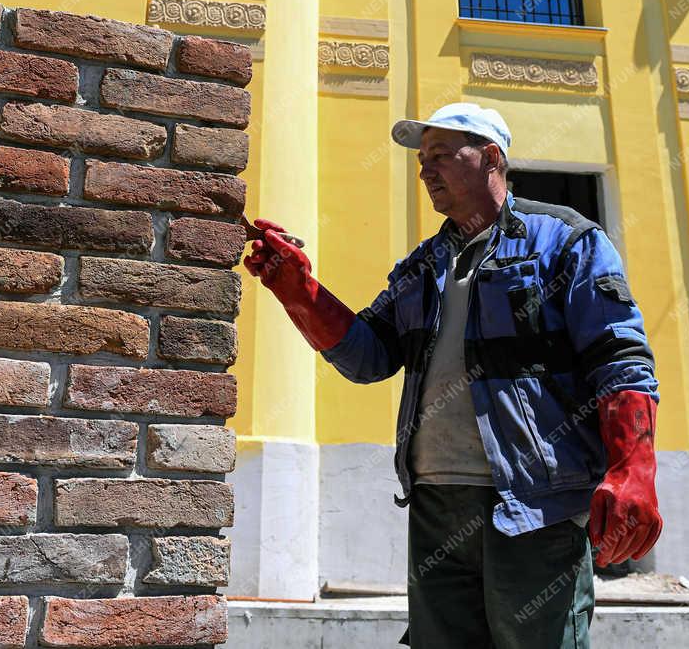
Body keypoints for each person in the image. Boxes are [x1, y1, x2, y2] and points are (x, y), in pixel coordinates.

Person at [244, 102, 662, 648]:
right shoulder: (421, 267)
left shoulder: (567, 241)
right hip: (437, 506)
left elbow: (620, 357)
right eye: (422, 159)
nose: (425, 170)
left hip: (535, 503)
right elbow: (367, 357)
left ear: (491, 157)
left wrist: (635, 468)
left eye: (440, 154)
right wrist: (299, 291)